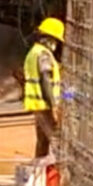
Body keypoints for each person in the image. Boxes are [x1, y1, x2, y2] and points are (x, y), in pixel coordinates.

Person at [23, 17, 65, 159]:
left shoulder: (33, 52)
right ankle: (60, 175)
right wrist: (53, 104)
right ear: (48, 38)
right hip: (44, 105)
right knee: (56, 140)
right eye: (55, 40)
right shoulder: (43, 54)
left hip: (37, 104)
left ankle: (38, 175)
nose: (55, 45)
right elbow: (45, 80)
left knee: (42, 142)